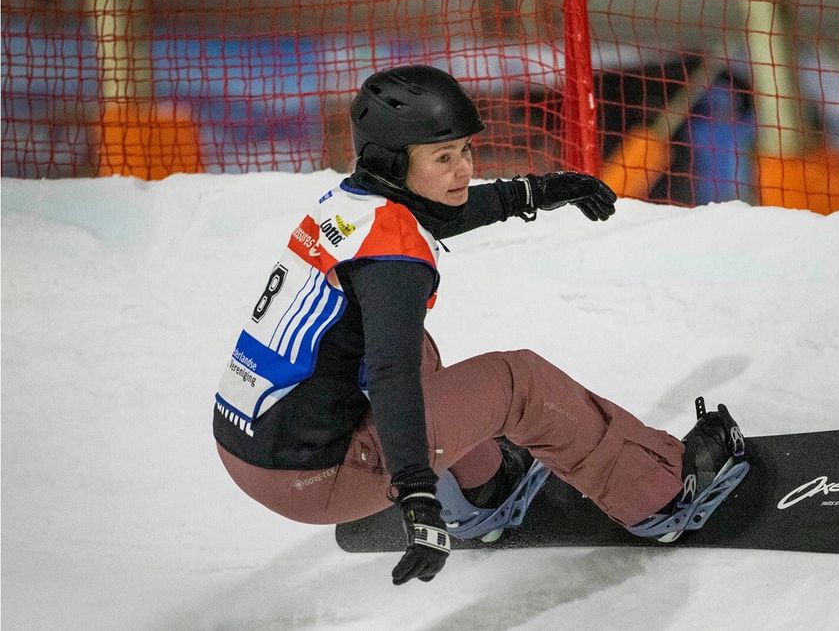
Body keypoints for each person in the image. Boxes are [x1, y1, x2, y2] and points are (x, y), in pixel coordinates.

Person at [212, 65, 748, 586]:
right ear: (394, 163)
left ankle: (483, 488)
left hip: (251, 447)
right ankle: (662, 494)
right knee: (519, 382)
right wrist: (417, 494)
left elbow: (444, 211)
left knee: (409, 345)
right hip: (311, 478)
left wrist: (538, 193)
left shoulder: (353, 205)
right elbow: (391, 373)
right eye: (444, 157)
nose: (465, 169)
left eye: (465, 150)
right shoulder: (393, 259)